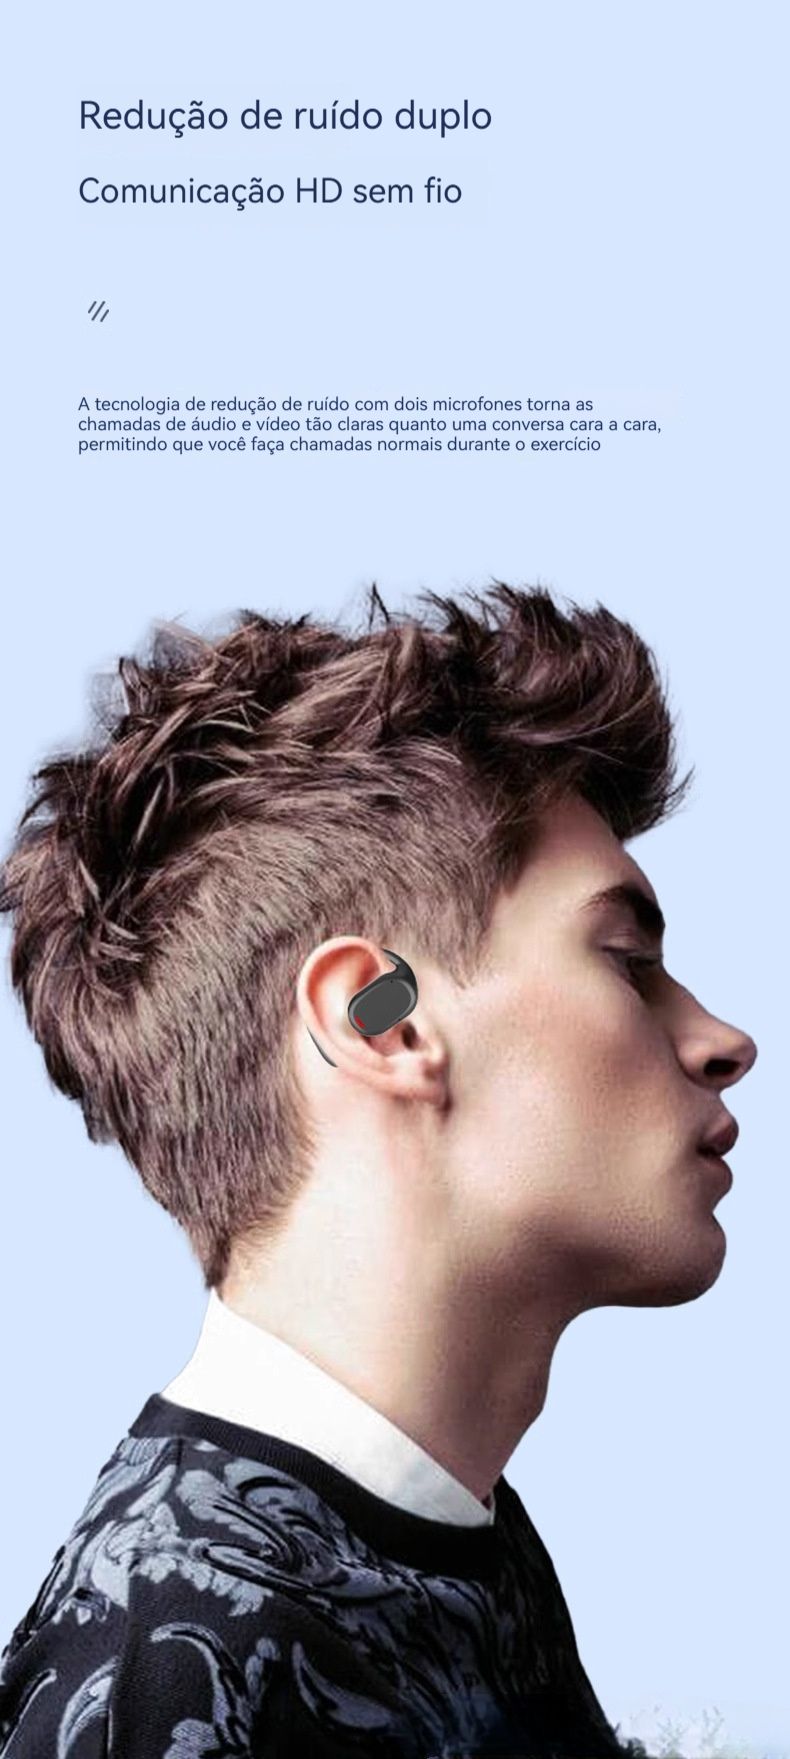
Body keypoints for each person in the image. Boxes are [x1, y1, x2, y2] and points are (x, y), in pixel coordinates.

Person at [0, 581, 756, 1759]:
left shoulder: (447, 1545)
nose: (721, 1039)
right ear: (381, 1020)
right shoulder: (178, 1670)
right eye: (624, 959)